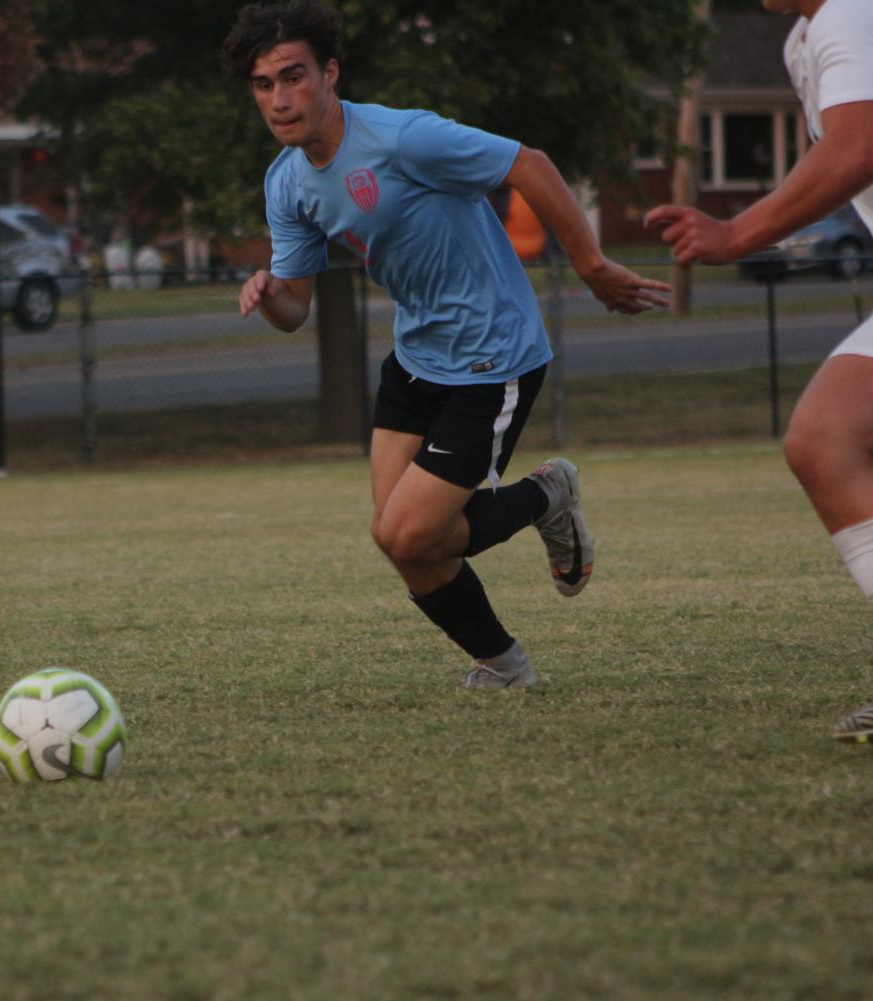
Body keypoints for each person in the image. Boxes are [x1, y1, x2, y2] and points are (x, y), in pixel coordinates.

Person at [225, 0, 671, 688]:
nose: (279, 100)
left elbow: (529, 163)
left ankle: (545, 496)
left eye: (293, 77)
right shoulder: (285, 183)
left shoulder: (402, 138)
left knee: (410, 532)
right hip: (417, 357)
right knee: (398, 541)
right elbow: (295, 311)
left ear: (330, 73)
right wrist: (268, 293)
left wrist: (590, 266)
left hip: (493, 356)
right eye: (263, 85)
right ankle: (504, 666)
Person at [646, 0, 873, 743]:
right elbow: (835, 151)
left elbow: (857, 147)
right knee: (823, 439)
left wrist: (736, 231)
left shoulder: (849, 12)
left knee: (824, 436)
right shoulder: (806, 37)